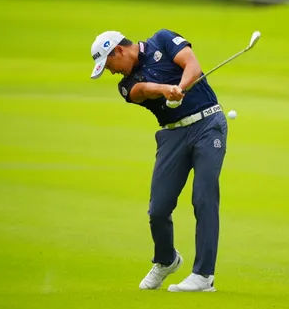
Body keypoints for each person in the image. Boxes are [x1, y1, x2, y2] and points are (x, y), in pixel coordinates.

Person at [89, 29, 228, 293]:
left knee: (204, 198)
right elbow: (143, 90)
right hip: (172, 136)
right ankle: (166, 260)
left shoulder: (162, 40)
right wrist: (166, 90)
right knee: (158, 209)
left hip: (208, 125)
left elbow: (192, 65)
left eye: (109, 65)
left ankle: (203, 275)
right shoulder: (126, 85)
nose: (111, 72)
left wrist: (181, 88)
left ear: (118, 50)